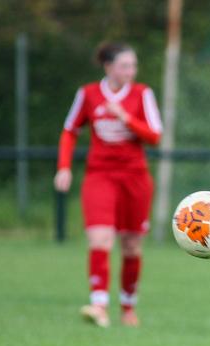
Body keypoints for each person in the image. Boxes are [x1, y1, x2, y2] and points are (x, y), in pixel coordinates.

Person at [54, 42, 162, 327]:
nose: (131, 71)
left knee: (131, 247)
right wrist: (63, 167)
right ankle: (99, 305)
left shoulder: (142, 94)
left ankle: (128, 308)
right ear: (109, 67)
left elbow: (154, 136)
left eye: (133, 65)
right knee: (100, 238)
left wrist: (126, 117)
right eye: (125, 66)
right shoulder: (88, 94)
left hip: (135, 178)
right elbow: (69, 131)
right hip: (100, 175)